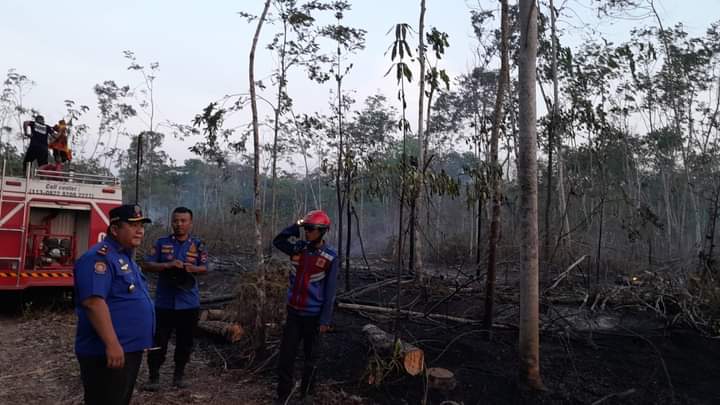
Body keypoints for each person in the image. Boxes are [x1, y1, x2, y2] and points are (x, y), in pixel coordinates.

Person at [73, 204, 154, 405]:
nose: (140, 230)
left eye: (141, 225)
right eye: (133, 225)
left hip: (127, 349)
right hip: (107, 353)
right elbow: (93, 302)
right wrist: (112, 344)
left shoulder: (125, 257)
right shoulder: (99, 258)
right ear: (115, 229)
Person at [272, 209, 339, 404]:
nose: (307, 232)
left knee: (311, 358)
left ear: (322, 231)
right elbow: (278, 240)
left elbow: (330, 292)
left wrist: (325, 319)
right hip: (294, 313)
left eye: (311, 229)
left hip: (314, 316)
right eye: (306, 228)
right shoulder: (298, 248)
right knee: (286, 357)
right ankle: (282, 395)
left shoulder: (330, 257)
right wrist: (298, 223)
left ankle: (306, 395)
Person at [142, 206, 208, 391]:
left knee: (185, 342)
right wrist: (168, 265)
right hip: (164, 302)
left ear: (190, 223)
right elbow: (147, 264)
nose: (179, 224)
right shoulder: (161, 242)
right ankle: (153, 377)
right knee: (158, 342)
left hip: (189, 303)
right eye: (175, 220)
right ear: (171, 222)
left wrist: (192, 268)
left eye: (183, 221)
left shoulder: (198, 244)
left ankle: (179, 376)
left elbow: (205, 267)